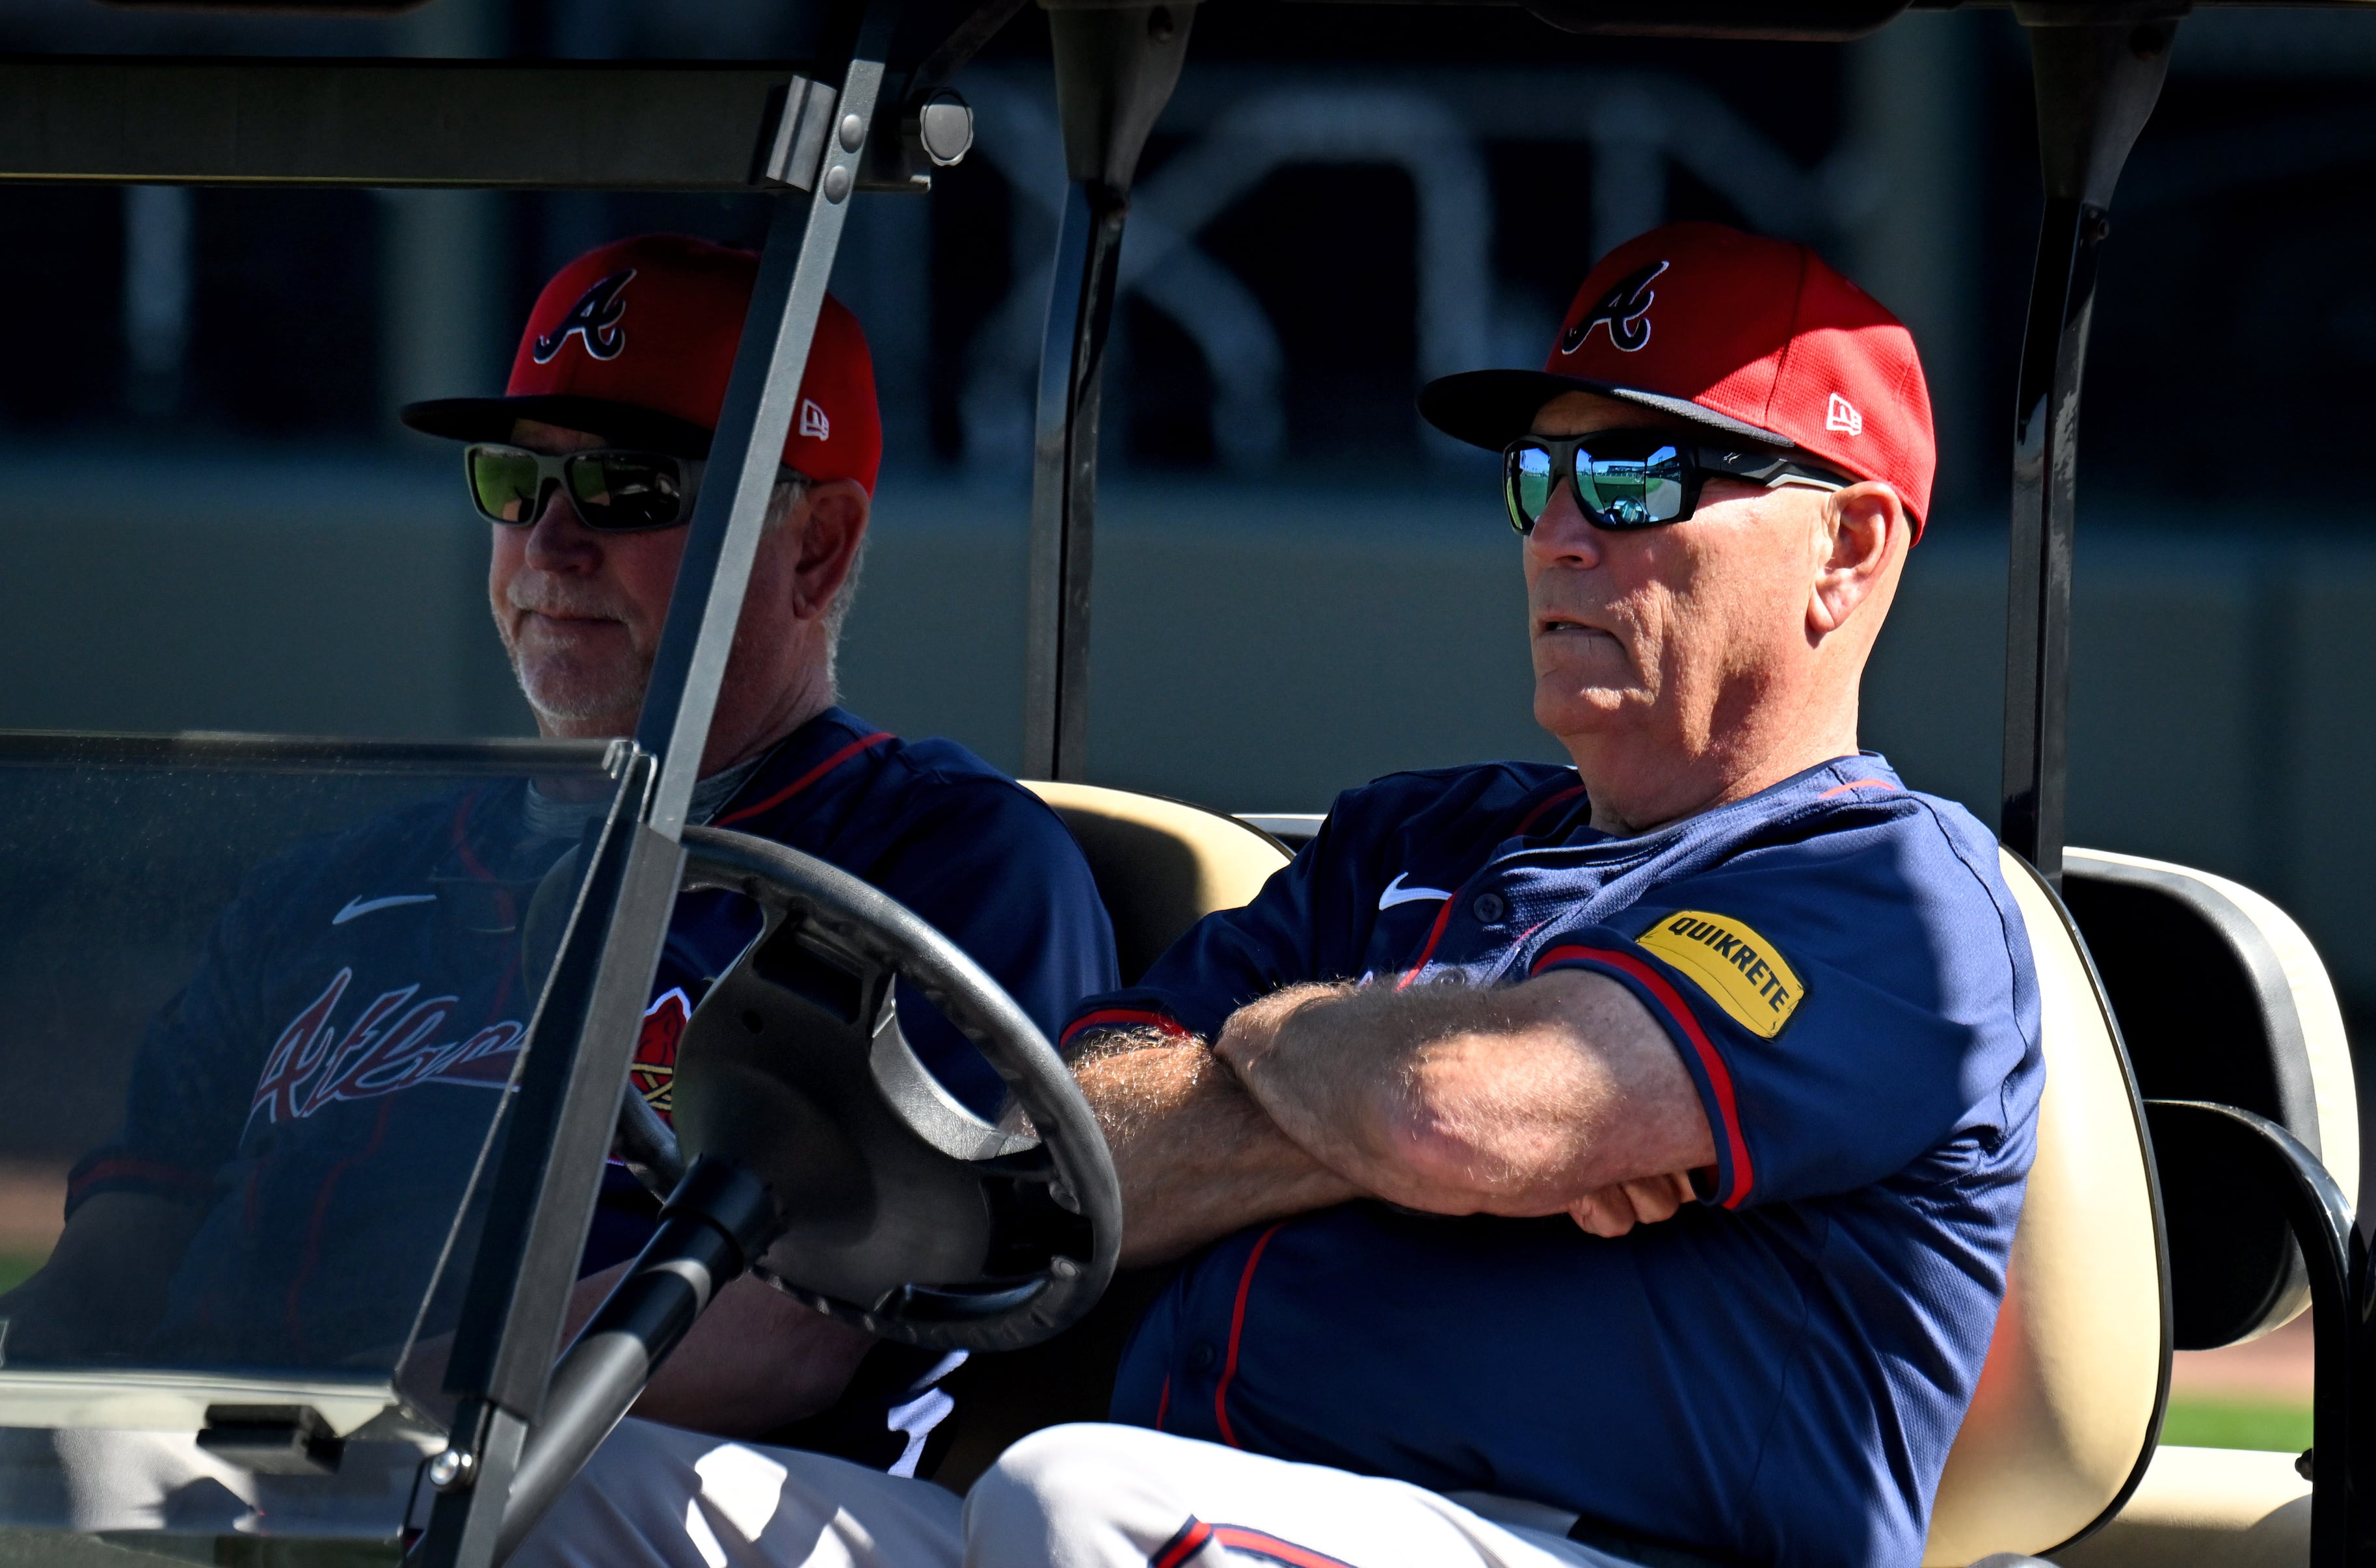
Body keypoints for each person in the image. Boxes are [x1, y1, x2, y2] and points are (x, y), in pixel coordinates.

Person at [523, 222, 2040, 1568]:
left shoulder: (1890, 893)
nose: (1563, 531)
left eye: (1640, 477)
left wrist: (1337, 1077)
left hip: (1608, 1540)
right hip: (1240, 1504)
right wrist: (1388, 1087)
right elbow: (1072, 1153)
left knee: (1080, 1504)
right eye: (1540, 475)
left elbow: (1458, 1113)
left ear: (1845, 545)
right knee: (564, 1488)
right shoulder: (1409, 838)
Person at [3, 234, 1120, 1449]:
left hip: (650, 1493)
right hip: (261, 1489)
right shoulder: (328, 888)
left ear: (817, 546)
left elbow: (794, 1327)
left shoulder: (938, 864)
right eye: (513, 481)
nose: (547, 545)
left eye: (627, 490)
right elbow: (118, 1257)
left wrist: (365, 1435)